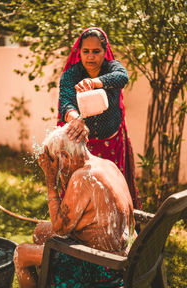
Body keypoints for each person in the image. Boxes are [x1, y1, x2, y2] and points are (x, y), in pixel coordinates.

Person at [14, 124, 136, 288]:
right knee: (39, 232)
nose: (56, 170)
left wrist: (51, 182)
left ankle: (53, 276)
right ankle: (48, 280)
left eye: (55, 163)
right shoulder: (107, 164)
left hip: (101, 265)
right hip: (119, 254)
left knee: (20, 254)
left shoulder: (82, 178)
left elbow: (59, 227)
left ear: (64, 155)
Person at [57, 27, 141, 209]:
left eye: (96, 51)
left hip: (112, 145)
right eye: (86, 51)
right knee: (81, 195)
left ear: (105, 51)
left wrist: (94, 83)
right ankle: (78, 233)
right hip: (82, 147)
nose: (90, 57)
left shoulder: (112, 69)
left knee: (113, 194)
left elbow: (122, 77)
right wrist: (75, 120)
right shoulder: (71, 75)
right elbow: (65, 102)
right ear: (79, 52)